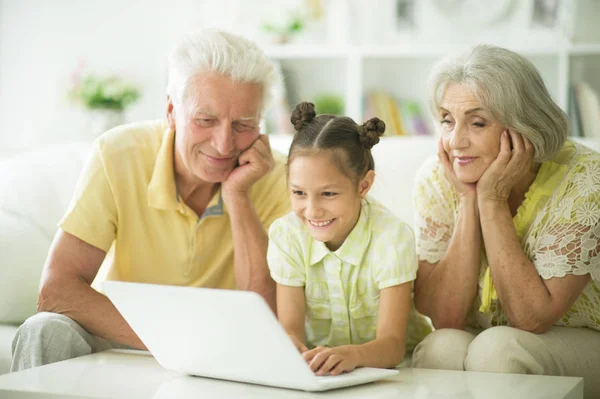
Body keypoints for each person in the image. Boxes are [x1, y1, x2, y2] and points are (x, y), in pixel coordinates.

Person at [11, 30, 291, 371]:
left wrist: (238, 195)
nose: (223, 144)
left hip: (222, 349)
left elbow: (266, 317)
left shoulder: (278, 175)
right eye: (206, 120)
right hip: (122, 333)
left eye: (243, 125)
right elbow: (56, 290)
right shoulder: (117, 154)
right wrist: (174, 341)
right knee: (44, 330)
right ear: (172, 111)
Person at [411, 44, 600, 397]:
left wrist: (492, 199)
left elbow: (531, 318)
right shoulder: (436, 178)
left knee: (499, 350)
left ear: (523, 127)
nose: (455, 141)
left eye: (477, 122)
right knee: (442, 346)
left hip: (585, 339)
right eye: (447, 120)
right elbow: (446, 318)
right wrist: (469, 200)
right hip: (486, 338)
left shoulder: (587, 179)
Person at [267, 102, 432, 376]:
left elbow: (392, 346)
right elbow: (290, 332)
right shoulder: (287, 237)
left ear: (363, 186)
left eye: (328, 194)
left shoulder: (391, 238)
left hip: (398, 374)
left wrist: (351, 355)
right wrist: (293, 351)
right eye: (298, 193)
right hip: (324, 378)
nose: (312, 210)